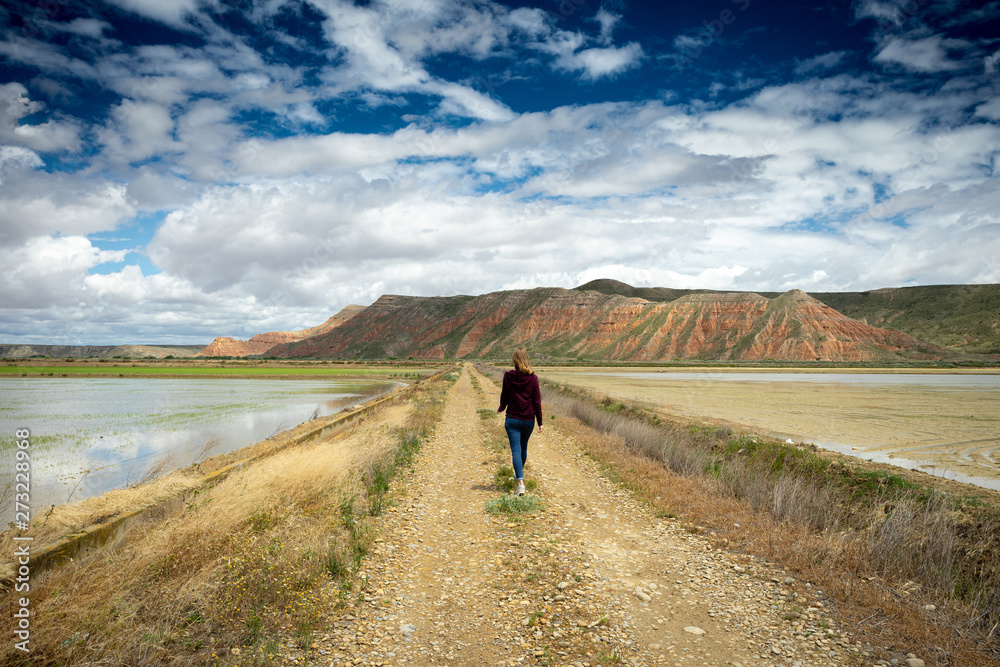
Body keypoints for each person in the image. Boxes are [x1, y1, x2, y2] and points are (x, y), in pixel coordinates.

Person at [497, 348, 543, 496]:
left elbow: (504, 395)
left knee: (516, 450)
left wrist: (502, 407)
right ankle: (519, 476)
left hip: (512, 419)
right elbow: (537, 402)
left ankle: (520, 483)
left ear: (515, 360)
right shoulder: (533, 378)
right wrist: (540, 422)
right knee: (523, 448)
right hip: (528, 420)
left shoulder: (508, 376)